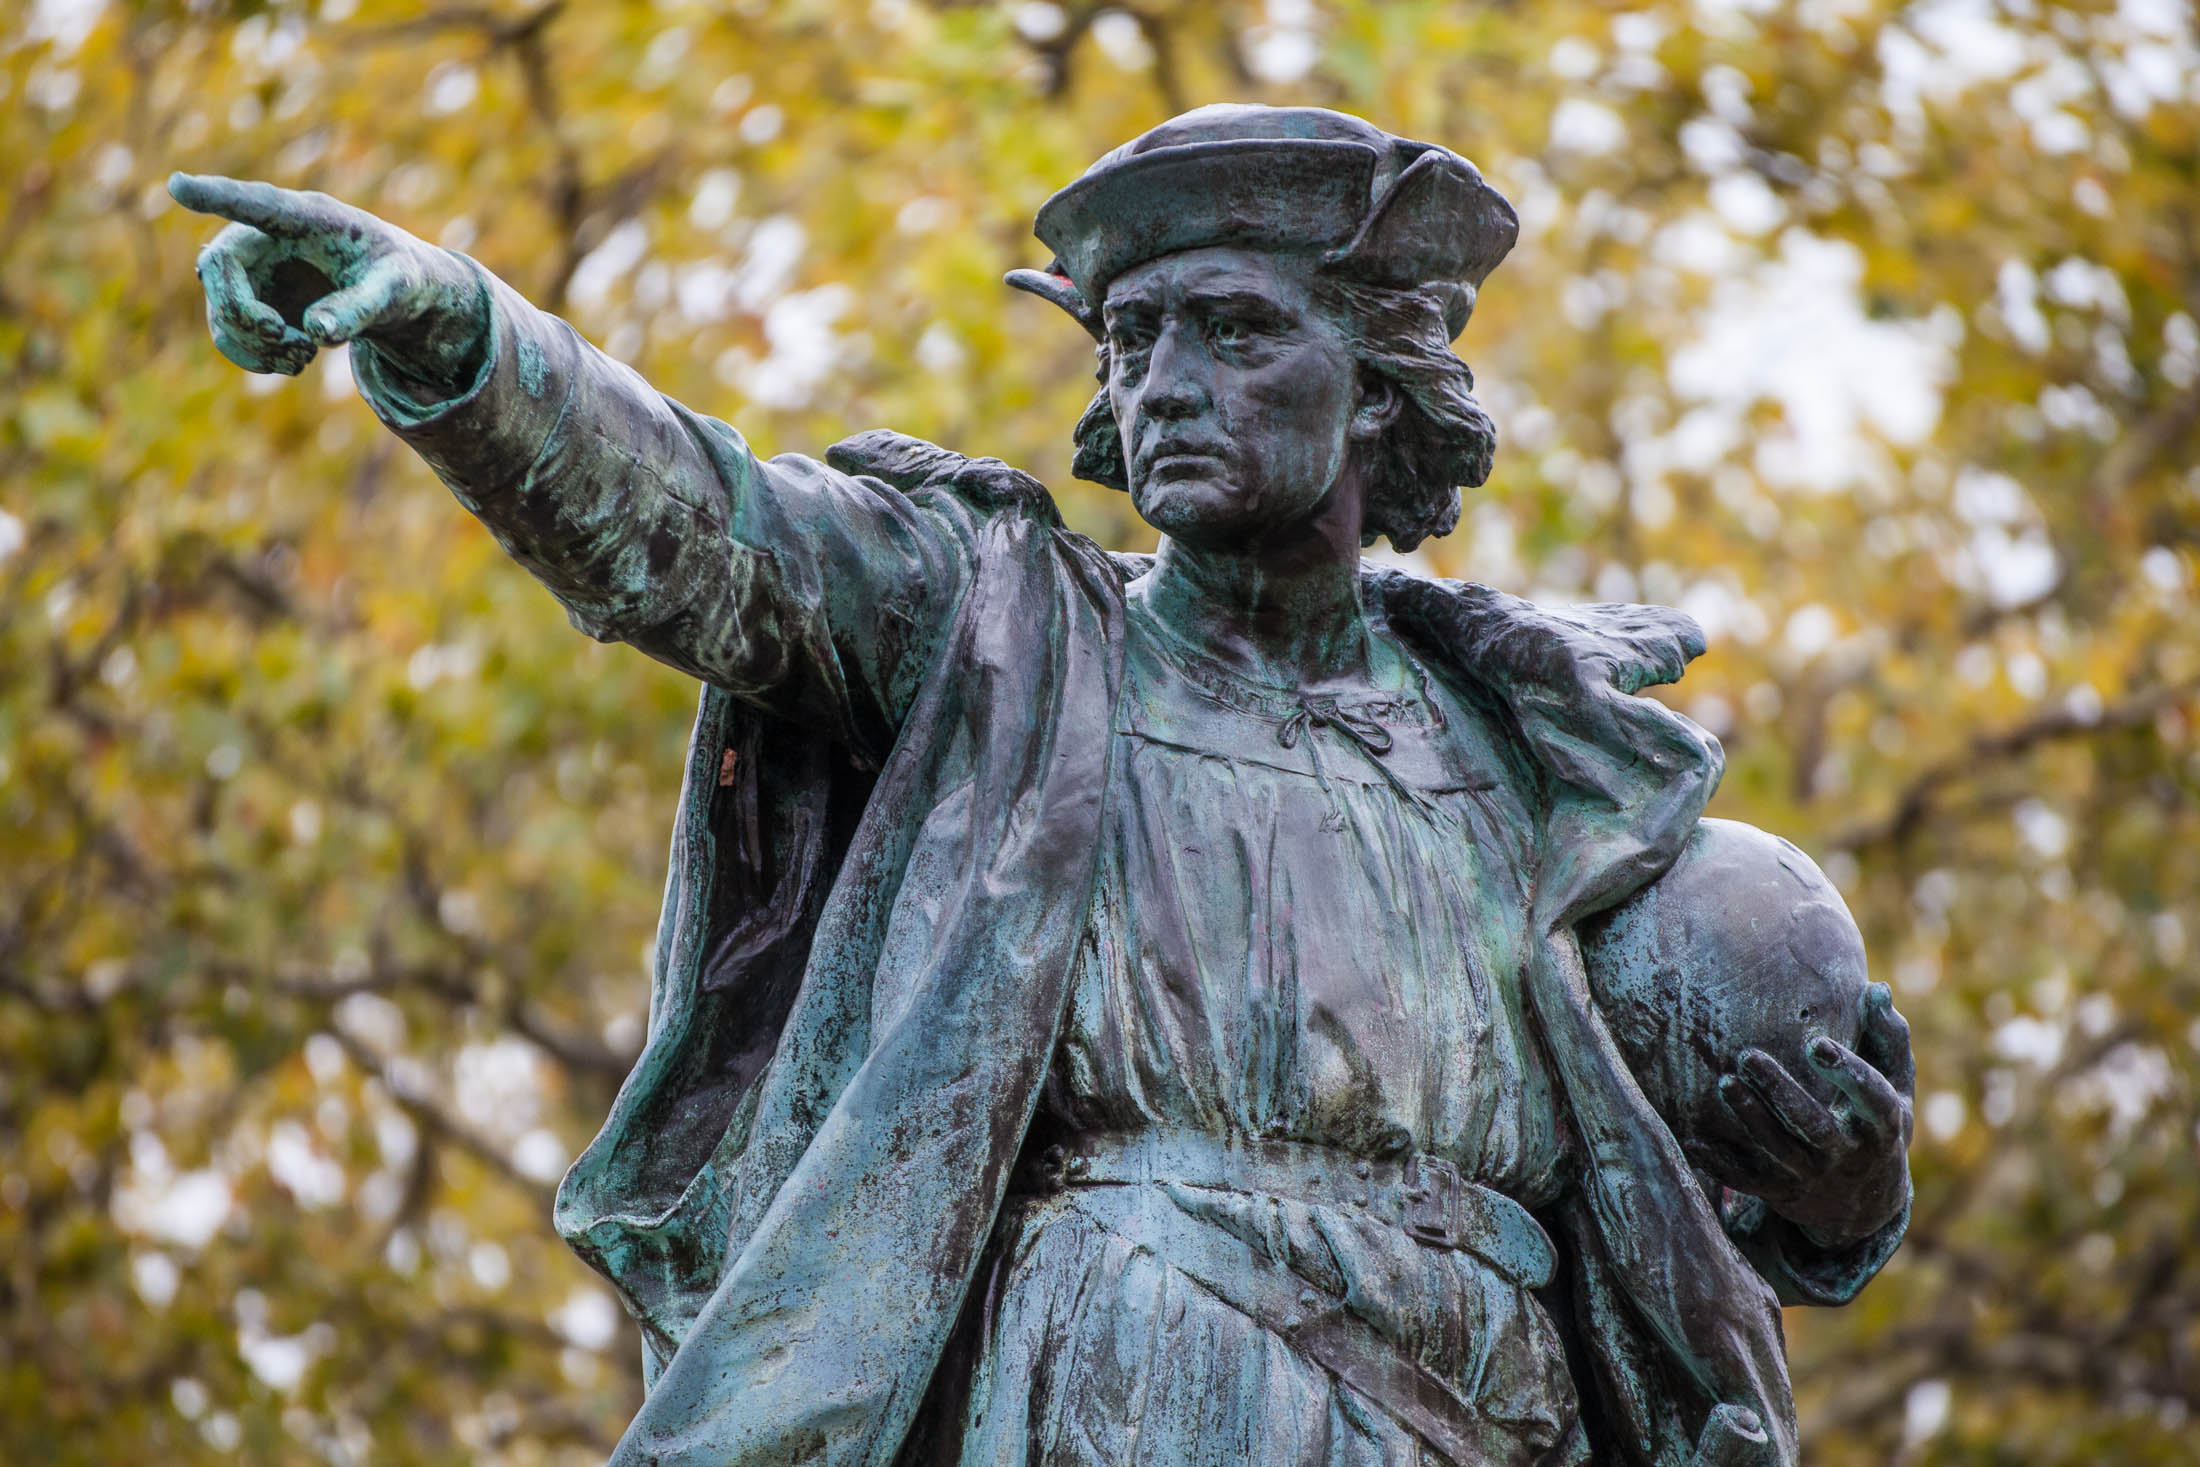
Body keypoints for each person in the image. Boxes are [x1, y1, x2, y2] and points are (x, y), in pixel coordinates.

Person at [174, 104, 1913, 1467]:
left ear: (1380, 390)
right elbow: (711, 538)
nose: (1163, 385)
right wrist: (461, 337)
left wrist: (1825, 1199)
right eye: (1133, 341)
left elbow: (1671, 1206)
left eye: (1231, 331)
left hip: (1493, 1411)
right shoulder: (1004, 635)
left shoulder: (1533, 756)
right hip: (1123, 1385)